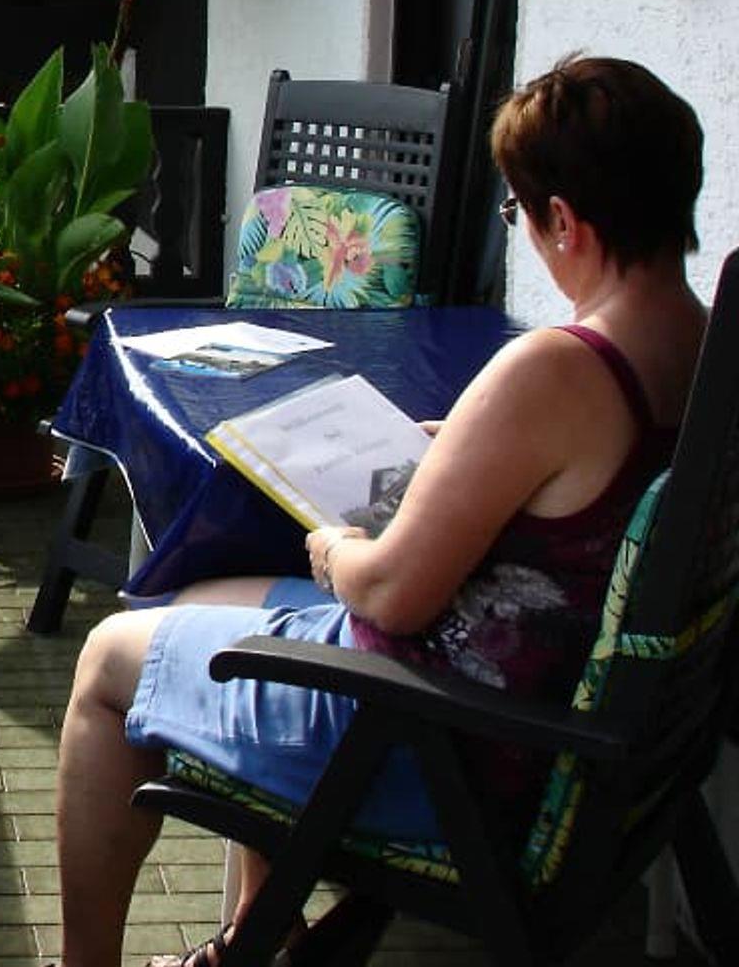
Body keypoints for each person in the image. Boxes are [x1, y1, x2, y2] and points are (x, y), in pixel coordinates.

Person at [52, 55, 708, 967]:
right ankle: (259, 934)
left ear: (564, 220)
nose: (523, 233)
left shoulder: (561, 367)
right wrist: (468, 453)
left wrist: (334, 548)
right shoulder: (700, 345)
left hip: (440, 745)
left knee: (105, 660)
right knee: (199, 595)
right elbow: (579, 498)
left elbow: (392, 596)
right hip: (564, 728)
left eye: (518, 213)